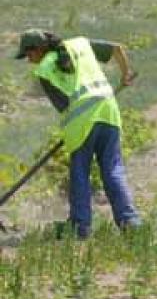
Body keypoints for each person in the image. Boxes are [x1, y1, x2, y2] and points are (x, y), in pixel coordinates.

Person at [15, 29, 141, 238]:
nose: (29, 61)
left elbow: (64, 106)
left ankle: (80, 227)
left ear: (39, 49)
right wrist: (125, 74)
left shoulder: (44, 70)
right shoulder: (80, 44)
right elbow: (117, 48)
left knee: (80, 172)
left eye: (29, 55)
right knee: (112, 170)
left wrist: (72, 128)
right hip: (109, 111)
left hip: (81, 122)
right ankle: (131, 223)